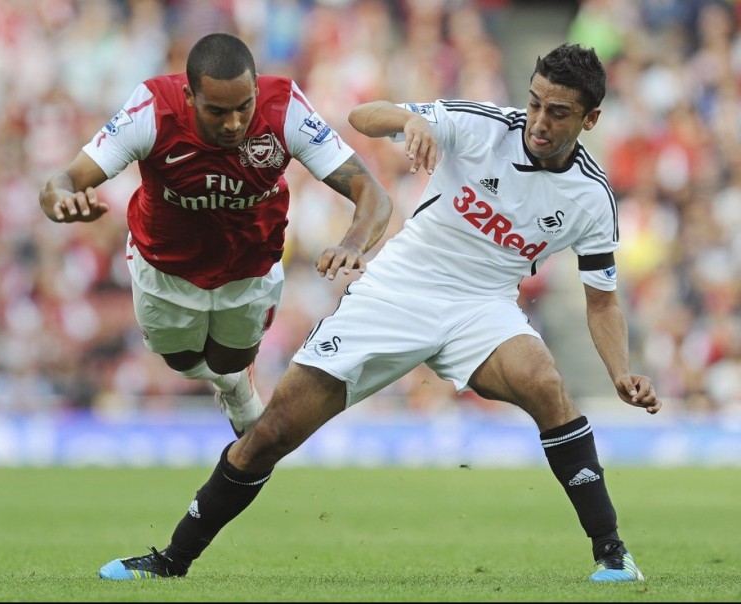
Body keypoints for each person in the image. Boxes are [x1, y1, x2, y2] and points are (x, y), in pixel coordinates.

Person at [97, 43, 661, 583]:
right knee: (271, 432)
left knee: (546, 385)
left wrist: (619, 373)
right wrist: (409, 120)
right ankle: (172, 559)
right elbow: (364, 115)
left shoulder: (591, 197)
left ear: (590, 120)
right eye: (535, 101)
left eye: (557, 112)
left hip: (483, 307)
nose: (538, 120)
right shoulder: (482, 124)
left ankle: (612, 554)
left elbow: (603, 299)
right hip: (397, 291)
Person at [39, 33, 392, 436]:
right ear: (190, 96)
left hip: (250, 266)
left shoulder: (286, 109)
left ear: (257, 88)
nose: (235, 123)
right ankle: (231, 385)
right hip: (164, 267)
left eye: (244, 106)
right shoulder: (151, 111)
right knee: (181, 361)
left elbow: (374, 194)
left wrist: (352, 243)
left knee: (229, 359)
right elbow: (61, 181)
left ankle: (233, 381)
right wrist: (63, 201)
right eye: (218, 111)